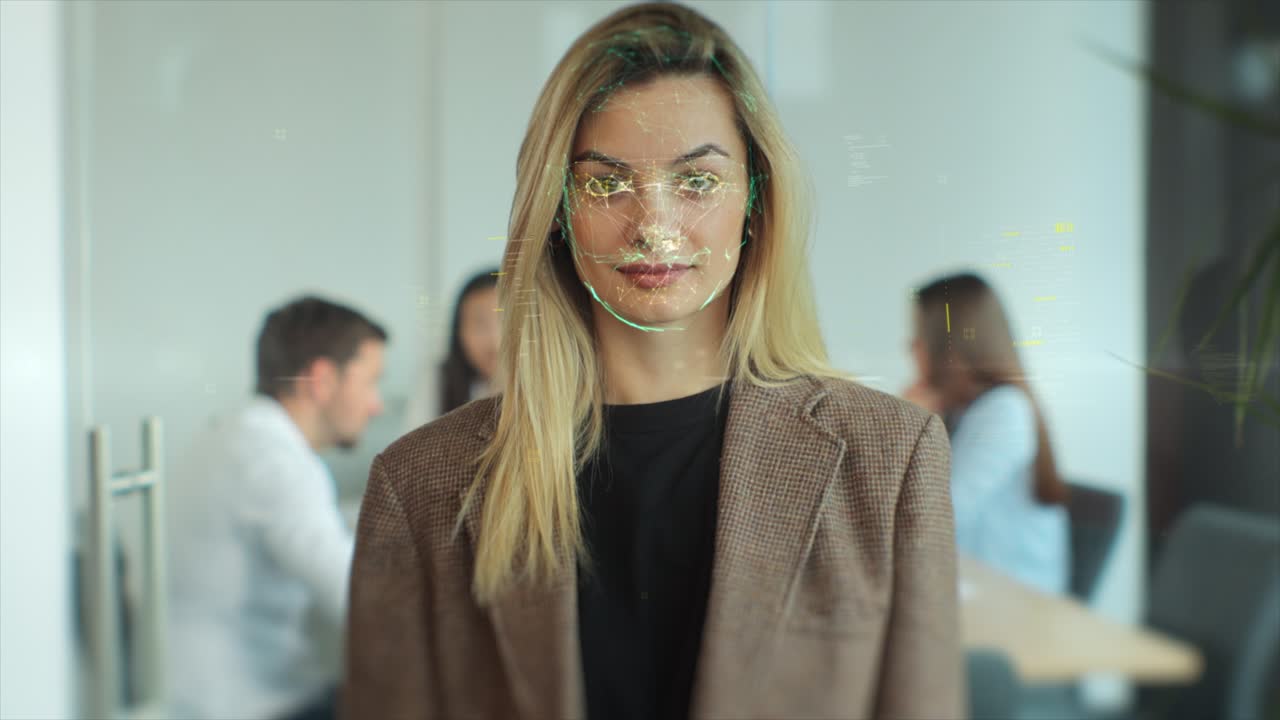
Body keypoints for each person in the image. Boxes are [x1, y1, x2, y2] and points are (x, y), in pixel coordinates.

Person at [344, 5, 963, 719]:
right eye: (606, 183)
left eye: (697, 181)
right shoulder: (420, 488)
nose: (655, 225)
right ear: (557, 211)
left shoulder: (887, 458)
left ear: (755, 198)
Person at [167, 296, 388, 720]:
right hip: (244, 702)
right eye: (371, 382)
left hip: (213, 688)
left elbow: (309, 521)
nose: (376, 404)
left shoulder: (242, 434)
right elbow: (356, 596)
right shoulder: (273, 461)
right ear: (322, 379)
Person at [903, 272, 1070, 595]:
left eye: (918, 338)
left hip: (1016, 601)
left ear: (947, 348)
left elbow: (935, 517)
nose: (910, 349)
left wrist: (904, 425)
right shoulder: (963, 410)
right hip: (978, 587)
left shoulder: (1005, 411)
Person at [403, 268, 500, 431]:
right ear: (458, 332)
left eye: (505, 320)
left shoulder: (548, 383)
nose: (494, 338)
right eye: (479, 323)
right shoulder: (437, 382)